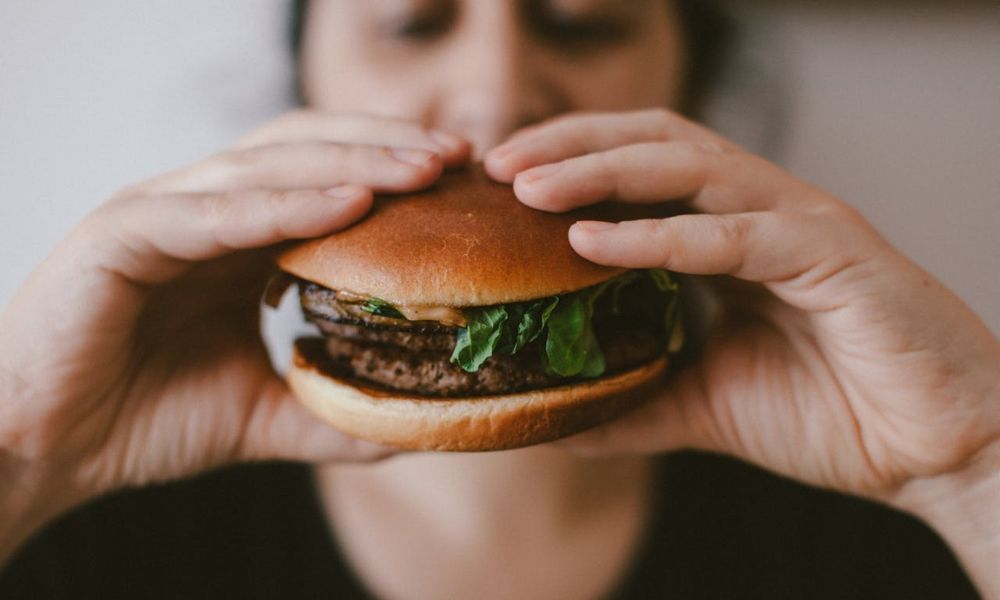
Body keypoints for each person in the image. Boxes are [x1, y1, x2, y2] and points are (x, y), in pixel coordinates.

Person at [1, 1, 997, 598]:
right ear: (303, 74)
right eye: (408, 22)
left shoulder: (870, 523)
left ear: (684, 79)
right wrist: (23, 455)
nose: (493, 94)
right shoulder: (99, 526)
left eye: (585, 22)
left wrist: (974, 469)